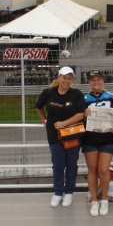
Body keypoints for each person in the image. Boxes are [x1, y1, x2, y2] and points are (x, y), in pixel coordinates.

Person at [36, 66, 86, 208]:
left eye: (69, 78)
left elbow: (81, 114)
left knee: (71, 164)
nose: (66, 81)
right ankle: (58, 192)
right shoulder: (48, 92)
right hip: (54, 136)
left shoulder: (76, 94)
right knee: (58, 165)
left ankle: (69, 192)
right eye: (64, 78)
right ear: (58, 77)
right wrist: (44, 120)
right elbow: (38, 106)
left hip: (72, 134)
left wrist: (64, 124)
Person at [82, 70, 113, 217]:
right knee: (92, 169)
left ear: (103, 81)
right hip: (89, 138)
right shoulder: (83, 98)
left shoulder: (111, 96)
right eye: (93, 80)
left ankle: (105, 199)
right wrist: (84, 115)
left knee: (103, 170)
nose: (96, 82)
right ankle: (94, 201)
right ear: (89, 82)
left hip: (107, 137)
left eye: (99, 80)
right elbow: (79, 118)